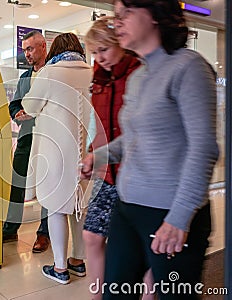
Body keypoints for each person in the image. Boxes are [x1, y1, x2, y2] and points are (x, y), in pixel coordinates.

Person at [81, 0, 219, 299]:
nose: (117, 23)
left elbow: (203, 148)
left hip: (168, 212)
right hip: (128, 208)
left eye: (126, 14)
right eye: (116, 16)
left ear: (155, 15)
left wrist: (180, 217)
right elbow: (133, 139)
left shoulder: (188, 67)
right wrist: (99, 156)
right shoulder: (140, 76)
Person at [82, 17, 155, 300]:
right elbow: (98, 121)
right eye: (95, 52)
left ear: (120, 44)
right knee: (92, 236)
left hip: (136, 173)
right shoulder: (99, 76)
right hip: (108, 172)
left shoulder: (140, 73)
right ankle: (96, 296)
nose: (99, 58)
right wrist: (93, 152)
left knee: (144, 249)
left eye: (104, 49)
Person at [22, 32, 92, 284]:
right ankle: (78, 261)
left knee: (55, 209)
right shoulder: (91, 72)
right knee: (78, 209)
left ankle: (60, 268)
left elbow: (30, 106)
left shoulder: (50, 73)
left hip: (56, 152)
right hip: (85, 154)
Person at [3, 30, 51, 253]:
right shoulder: (24, 78)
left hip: (49, 138)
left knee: (47, 186)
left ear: (43, 46)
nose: (27, 55)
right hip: (26, 138)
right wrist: (18, 113)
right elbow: (14, 105)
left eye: (30, 49)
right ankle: (11, 228)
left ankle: (44, 233)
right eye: (24, 50)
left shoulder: (53, 74)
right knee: (17, 183)